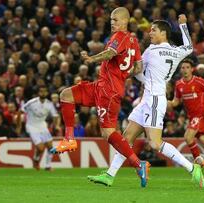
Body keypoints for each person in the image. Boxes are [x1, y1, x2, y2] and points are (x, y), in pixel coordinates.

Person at [88, 15, 204, 188]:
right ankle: (109, 175)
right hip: (149, 99)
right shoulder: (176, 51)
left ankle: (191, 168)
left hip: (155, 100)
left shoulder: (151, 50)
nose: (150, 33)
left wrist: (122, 72)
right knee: (126, 137)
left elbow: (138, 69)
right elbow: (188, 47)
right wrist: (183, 25)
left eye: (153, 30)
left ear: (163, 33)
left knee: (155, 143)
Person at [51, 7, 150, 187]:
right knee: (66, 95)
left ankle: (139, 164)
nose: (112, 23)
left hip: (108, 92)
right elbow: (139, 67)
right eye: (111, 20)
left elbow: (110, 53)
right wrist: (121, 76)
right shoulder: (133, 40)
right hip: (102, 86)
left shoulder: (118, 37)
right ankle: (69, 139)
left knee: (108, 133)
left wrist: (91, 59)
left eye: (116, 20)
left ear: (125, 21)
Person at [168, 59, 204, 159]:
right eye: (183, 68)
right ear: (180, 70)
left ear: (192, 69)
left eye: (187, 67)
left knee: (188, 137)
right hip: (192, 117)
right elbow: (176, 101)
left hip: (200, 115)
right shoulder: (178, 84)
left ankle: (197, 164)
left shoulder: (199, 81)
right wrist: (166, 102)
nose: (185, 69)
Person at [17, 86, 60, 171]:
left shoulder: (49, 104)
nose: (43, 93)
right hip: (32, 126)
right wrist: (19, 126)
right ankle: (36, 160)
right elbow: (20, 112)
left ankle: (48, 166)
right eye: (41, 91)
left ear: (47, 93)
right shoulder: (32, 103)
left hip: (43, 126)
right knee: (40, 148)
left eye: (44, 92)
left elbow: (55, 116)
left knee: (50, 147)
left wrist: (56, 125)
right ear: (38, 93)